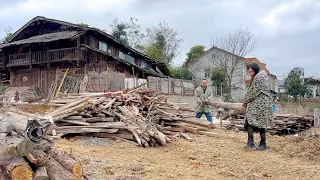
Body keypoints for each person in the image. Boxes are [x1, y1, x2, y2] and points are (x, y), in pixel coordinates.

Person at [243, 63, 273, 151]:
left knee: (253, 121)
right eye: (249, 72)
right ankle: (253, 142)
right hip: (260, 103)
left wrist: (244, 103)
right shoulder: (259, 77)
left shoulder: (258, 78)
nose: (250, 74)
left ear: (256, 70)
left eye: (251, 71)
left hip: (260, 104)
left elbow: (252, 93)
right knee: (257, 122)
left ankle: (260, 143)